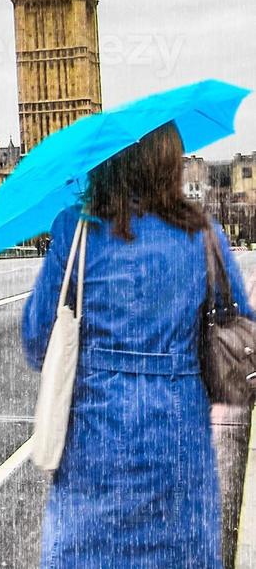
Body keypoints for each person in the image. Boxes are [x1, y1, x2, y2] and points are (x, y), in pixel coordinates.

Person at [21, 122, 252, 569]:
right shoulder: (203, 234)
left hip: (95, 456)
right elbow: (240, 331)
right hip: (178, 453)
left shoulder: (77, 231)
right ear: (169, 166)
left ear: (110, 165)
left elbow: (36, 341)